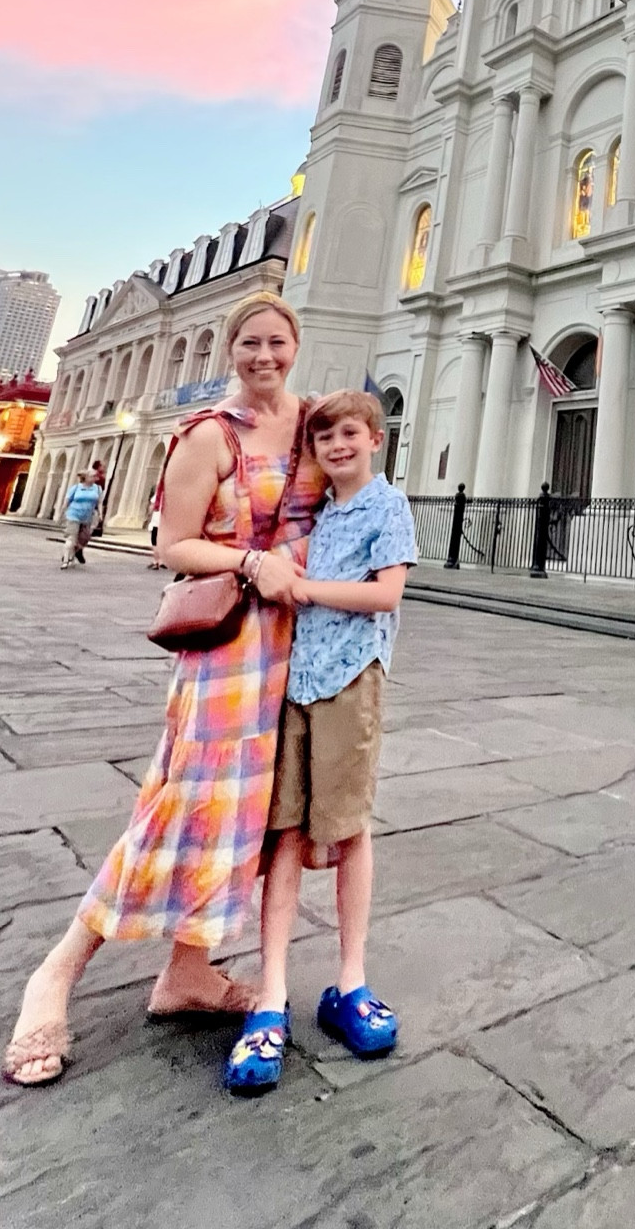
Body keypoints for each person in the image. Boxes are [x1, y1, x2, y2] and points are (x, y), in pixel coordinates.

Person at [1, 291, 325, 1088]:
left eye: (276, 342)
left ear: (295, 345)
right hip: (226, 654)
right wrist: (253, 562)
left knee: (246, 820)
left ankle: (188, 973)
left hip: (297, 654)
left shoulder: (314, 422)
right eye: (248, 343)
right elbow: (174, 545)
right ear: (230, 349)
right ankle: (56, 973)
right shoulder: (208, 435)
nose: (263, 356)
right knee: (184, 807)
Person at [223, 388, 417, 1096]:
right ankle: (270, 994)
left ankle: (350, 982)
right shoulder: (320, 513)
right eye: (324, 436)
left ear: (375, 439)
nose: (336, 445)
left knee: (350, 829)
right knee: (284, 836)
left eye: (349, 433)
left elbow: (388, 594)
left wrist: (305, 588)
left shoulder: (386, 505)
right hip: (296, 683)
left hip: (349, 680)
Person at [59, 471, 102, 569]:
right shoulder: (76, 488)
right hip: (73, 515)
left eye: (95, 476)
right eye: (92, 476)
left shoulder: (97, 489)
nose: (95, 478)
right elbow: (67, 501)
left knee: (83, 540)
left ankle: (71, 554)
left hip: (87, 517)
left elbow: (99, 502)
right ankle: (66, 560)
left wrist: (100, 514)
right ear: (85, 477)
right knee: (71, 538)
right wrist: (62, 514)